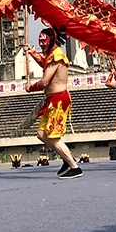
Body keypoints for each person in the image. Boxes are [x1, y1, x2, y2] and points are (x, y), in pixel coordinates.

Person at [24, 26, 83, 179]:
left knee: (52, 136)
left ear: (51, 40)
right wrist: (32, 52)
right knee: (42, 134)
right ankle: (67, 159)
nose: (42, 44)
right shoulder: (52, 56)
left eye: (44, 41)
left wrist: (30, 88)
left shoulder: (57, 56)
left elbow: (44, 82)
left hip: (58, 100)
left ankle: (74, 167)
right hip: (51, 101)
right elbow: (45, 64)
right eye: (40, 42)